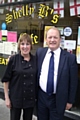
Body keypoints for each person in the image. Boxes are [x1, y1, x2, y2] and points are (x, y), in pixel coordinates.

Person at [36, 26, 78, 120]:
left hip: (58, 99)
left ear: (60, 39)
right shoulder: (40, 53)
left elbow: (73, 82)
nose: (52, 40)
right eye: (50, 37)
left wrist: (70, 101)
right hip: (42, 97)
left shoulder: (69, 58)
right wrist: (13, 59)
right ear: (46, 39)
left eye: (55, 37)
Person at [1, 33, 37, 120]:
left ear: (31, 46)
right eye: (22, 44)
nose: (25, 47)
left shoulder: (35, 60)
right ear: (19, 45)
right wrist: (7, 97)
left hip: (30, 98)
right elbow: (6, 80)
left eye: (27, 44)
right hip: (16, 98)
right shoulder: (13, 59)